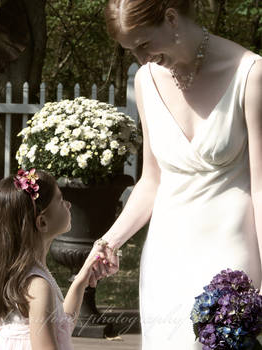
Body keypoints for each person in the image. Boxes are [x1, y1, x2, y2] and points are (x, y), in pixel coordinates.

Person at [85, 0, 262, 348]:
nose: (140, 58)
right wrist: (108, 241)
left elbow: (261, 186)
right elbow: (151, 180)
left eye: (144, 44)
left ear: (170, 18)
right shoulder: (145, 81)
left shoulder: (251, 74)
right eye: (130, 50)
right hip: (165, 260)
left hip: (231, 258)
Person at [0, 168, 109, 350]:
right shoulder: (38, 286)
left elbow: (61, 324)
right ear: (42, 222)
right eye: (60, 201)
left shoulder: (24, 274)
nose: (68, 205)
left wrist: (81, 280)